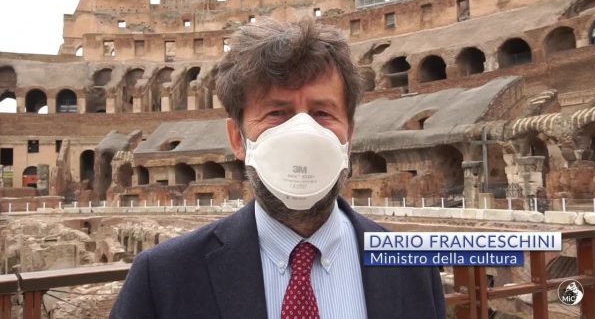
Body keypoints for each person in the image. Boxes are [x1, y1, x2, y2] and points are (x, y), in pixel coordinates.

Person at [110, 18, 445, 319]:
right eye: (277, 114)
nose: (302, 133)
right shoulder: (164, 277)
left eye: (322, 113)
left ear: (349, 135)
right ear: (237, 139)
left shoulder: (412, 267)